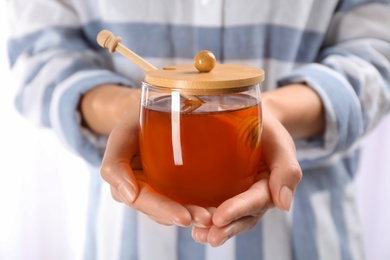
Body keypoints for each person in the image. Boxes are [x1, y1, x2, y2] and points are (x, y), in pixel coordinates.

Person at [7, 0, 390, 259]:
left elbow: (376, 51)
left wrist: (270, 113)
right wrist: (132, 111)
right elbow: (39, 58)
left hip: (306, 240)